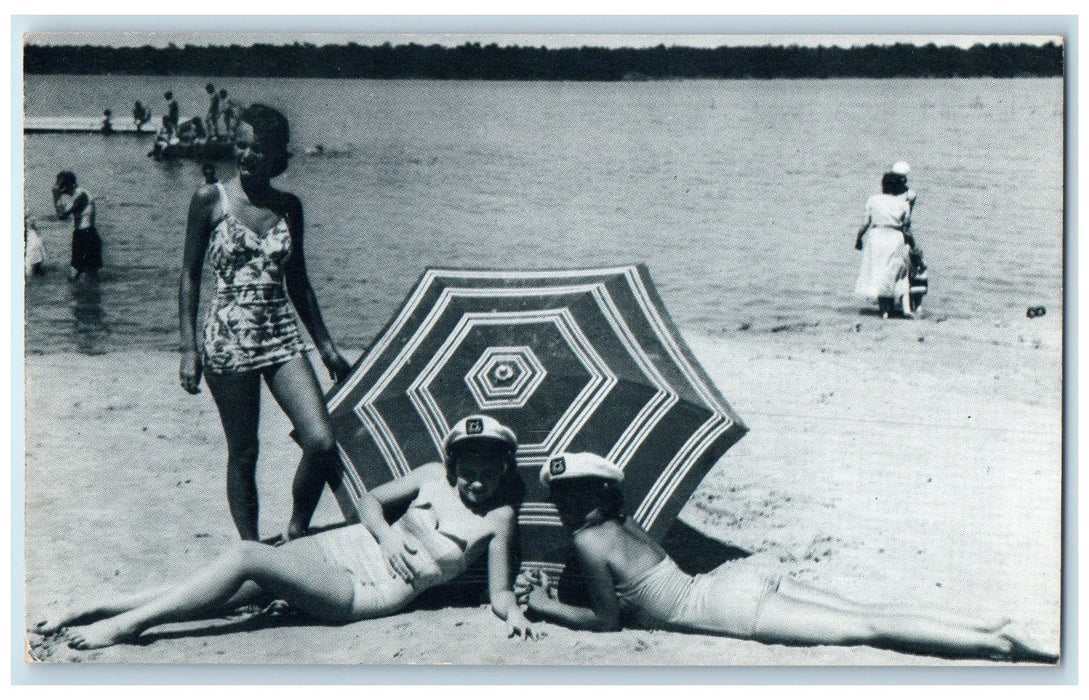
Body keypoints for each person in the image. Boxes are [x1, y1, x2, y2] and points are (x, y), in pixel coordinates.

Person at [31, 415, 538, 649]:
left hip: (363, 592)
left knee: (248, 556)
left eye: (487, 470)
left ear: (504, 466)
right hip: (345, 547)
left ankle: (128, 627)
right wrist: (385, 535)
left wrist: (514, 611)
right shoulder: (431, 476)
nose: (474, 480)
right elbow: (370, 502)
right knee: (221, 591)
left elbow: (499, 590)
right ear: (452, 461)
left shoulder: (499, 521)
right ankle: (96, 608)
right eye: (466, 468)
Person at [519, 452, 1057, 663]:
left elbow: (607, 623)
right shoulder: (624, 521)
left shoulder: (587, 543)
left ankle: (997, 644)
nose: (566, 506)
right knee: (869, 611)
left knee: (867, 629)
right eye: (561, 498)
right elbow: (644, 591)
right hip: (735, 580)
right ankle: (987, 624)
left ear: (597, 497)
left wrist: (546, 604)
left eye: (573, 497)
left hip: (732, 610)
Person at [179, 103, 352, 542]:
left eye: (257, 148)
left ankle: (296, 531)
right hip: (227, 340)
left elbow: (301, 283)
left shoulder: (290, 207)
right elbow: (189, 274)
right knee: (244, 452)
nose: (246, 155)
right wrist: (188, 348)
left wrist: (327, 346)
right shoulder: (210, 199)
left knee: (320, 441)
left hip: (281, 336)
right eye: (240, 144)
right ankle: (252, 550)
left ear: (276, 155)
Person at [853, 171, 915, 319]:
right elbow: (907, 228)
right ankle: (904, 308)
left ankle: (884, 311)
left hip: (877, 237)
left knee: (879, 271)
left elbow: (865, 223)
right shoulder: (903, 204)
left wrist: (858, 238)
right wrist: (912, 246)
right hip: (895, 237)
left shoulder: (874, 200)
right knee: (899, 272)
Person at [52, 171, 100, 282]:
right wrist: (57, 198)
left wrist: (56, 197)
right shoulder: (75, 196)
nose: (59, 188)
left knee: (91, 276)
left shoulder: (81, 195)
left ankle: (92, 296)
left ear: (69, 185)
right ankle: (77, 297)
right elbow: (62, 216)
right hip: (79, 235)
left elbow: (62, 215)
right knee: (74, 275)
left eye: (61, 185)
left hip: (89, 235)